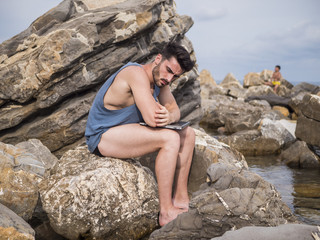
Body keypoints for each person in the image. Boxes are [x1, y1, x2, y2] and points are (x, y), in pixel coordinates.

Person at [85, 41, 195, 226]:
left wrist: (169, 116)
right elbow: (153, 119)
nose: (169, 79)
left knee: (188, 134)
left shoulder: (161, 81)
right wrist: (168, 116)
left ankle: (181, 200)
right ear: (158, 59)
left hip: (124, 132)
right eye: (168, 70)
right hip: (102, 135)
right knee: (170, 138)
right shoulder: (134, 73)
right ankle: (166, 211)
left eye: (175, 76)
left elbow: (176, 111)